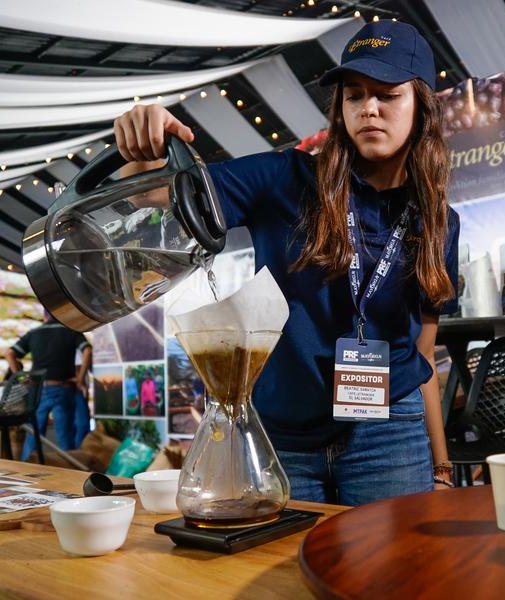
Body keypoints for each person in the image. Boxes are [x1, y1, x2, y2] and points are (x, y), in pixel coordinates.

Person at [114, 20, 459, 505]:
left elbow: (422, 356)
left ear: (421, 104)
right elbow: (150, 194)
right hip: (287, 435)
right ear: (340, 108)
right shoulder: (283, 179)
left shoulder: (438, 221)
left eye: (388, 94)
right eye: (355, 95)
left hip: (390, 436)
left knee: (389, 575)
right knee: (283, 575)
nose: (370, 108)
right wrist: (144, 145)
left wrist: (441, 467)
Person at [6, 311, 92, 460]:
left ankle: (26, 473)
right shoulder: (71, 331)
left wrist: (21, 377)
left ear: (45, 316)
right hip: (63, 389)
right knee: (65, 438)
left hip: (39, 390)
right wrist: (80, 379)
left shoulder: (34, 333)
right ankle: (72, 474)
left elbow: (9, 353)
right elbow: (88, 350)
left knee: (33, 435)